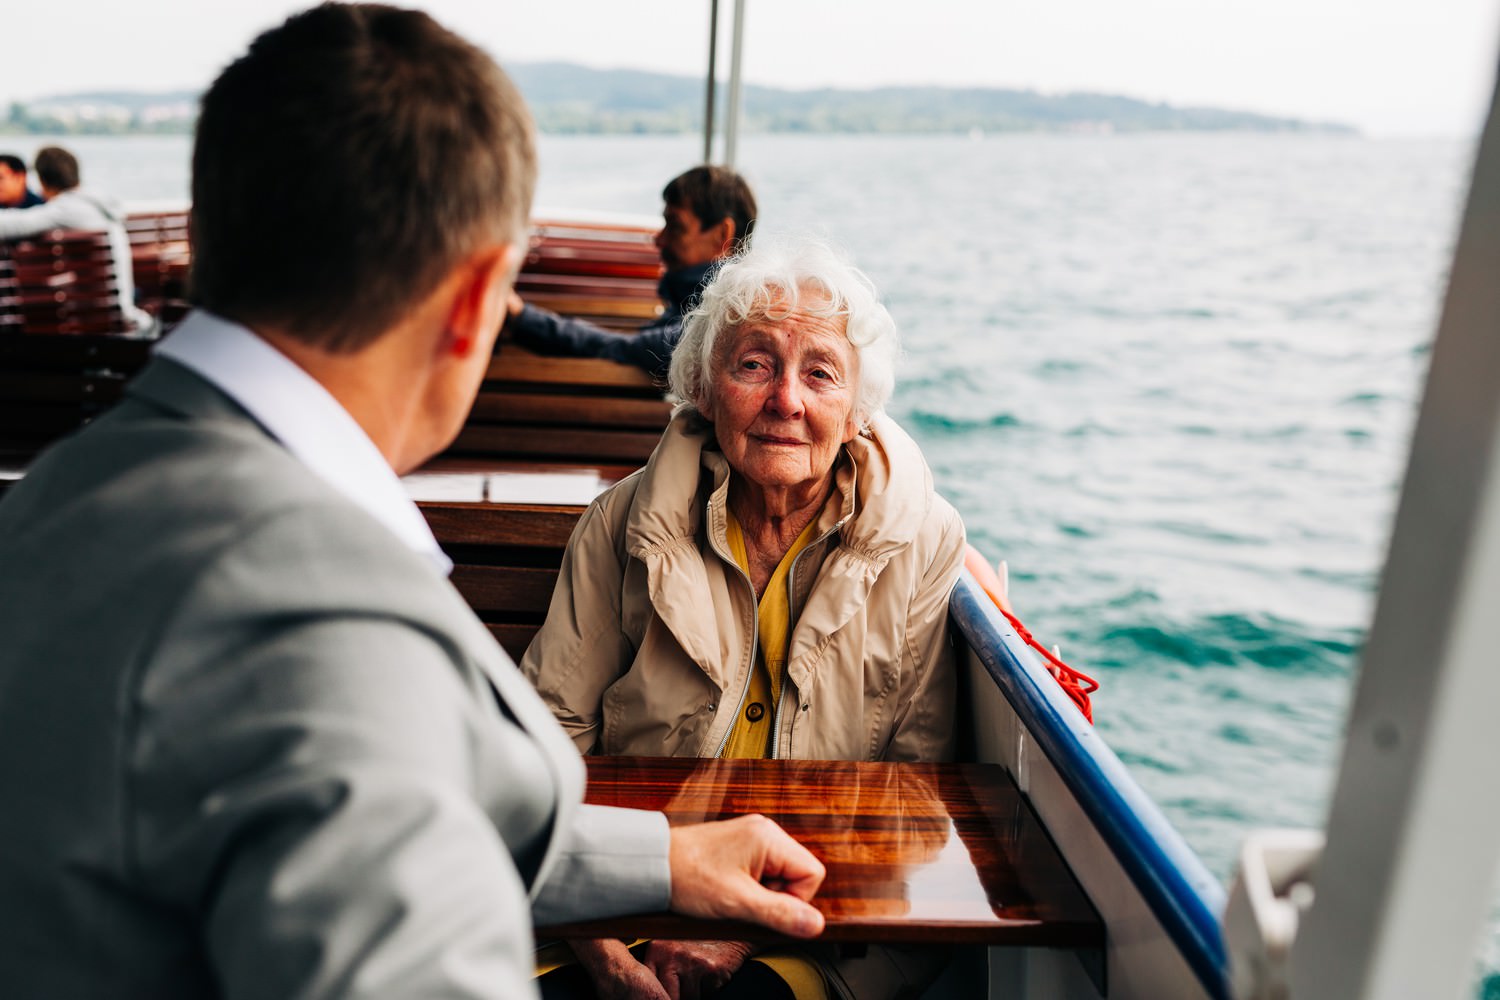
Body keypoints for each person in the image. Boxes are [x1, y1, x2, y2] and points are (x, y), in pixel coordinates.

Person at [0, 6, 825, 999]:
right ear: (479, 298)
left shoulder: (61, 491)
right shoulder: (317, 614)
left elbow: (316, 806)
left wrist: (661, 862)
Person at [522, 238, 966, 1000]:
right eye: (754, 364)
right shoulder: (621, 523)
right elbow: (541, 753)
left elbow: (912, 798)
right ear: (703, 386)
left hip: (821, 923)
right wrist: (603, 952)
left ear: (857, 410)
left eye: (820, 373)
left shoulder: (922, 542)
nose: (786, 399)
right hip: (613, 901)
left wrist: (741, 928)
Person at [506, 165, 756, 381]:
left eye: (676, 226)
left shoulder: (717, 323)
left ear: (722, 235)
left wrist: (521, 316)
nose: (659, 239)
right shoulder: (694, 306)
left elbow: (622, 348)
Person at [0, 145, 151, 329]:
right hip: (116, 308)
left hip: (98, 317)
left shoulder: (68, 209)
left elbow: (8, 226)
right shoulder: (96, 204)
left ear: (42, 180)